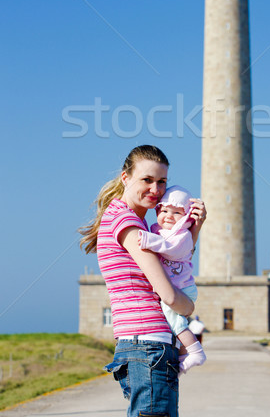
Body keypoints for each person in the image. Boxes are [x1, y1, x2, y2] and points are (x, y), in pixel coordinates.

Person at [79, 145, 207, 417]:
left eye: (162, 182)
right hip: (148, 346)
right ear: (126, 177)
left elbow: (174, 265)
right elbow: (169, 294)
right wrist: (189, 308)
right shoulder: (130, 224)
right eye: (147, 180)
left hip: (141, 345)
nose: (156, 189)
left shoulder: (121, 217)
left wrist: (192, 231)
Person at [138, 185, 206, 374]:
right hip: (176, 286)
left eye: (177, 212)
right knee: (174, 322)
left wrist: (148, 240)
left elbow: (173, 250)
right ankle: (184, 353)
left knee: (173, 319)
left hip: (183, 288)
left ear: (185, 217)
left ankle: (196, 351)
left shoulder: (182, 235)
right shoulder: (158, 229)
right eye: (164, 210)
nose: (169, 215)